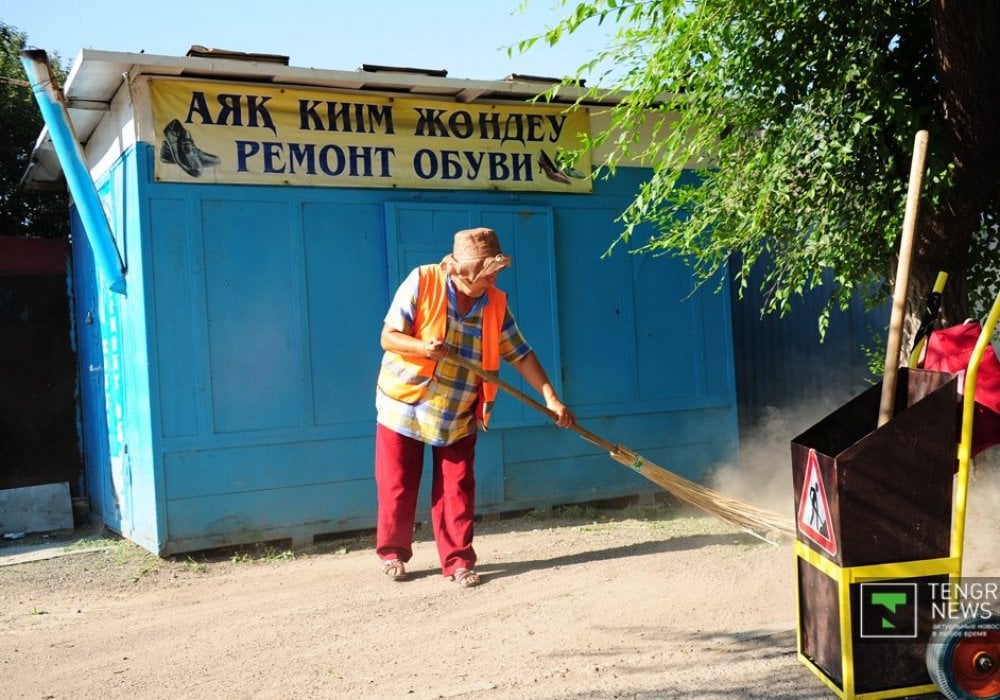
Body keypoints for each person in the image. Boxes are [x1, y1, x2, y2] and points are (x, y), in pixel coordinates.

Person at [374, 227, 575, 588]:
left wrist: (550, 396)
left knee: (457, 487)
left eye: (495, 271)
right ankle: (393, 553)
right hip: (405, 402)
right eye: (489, 271)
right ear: (466, 270)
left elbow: (521, 353)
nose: (494, 277)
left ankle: (457, 561)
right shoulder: (422, 281)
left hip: (457, 409)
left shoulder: (494, 303)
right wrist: (423, 348)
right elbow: (388, 337)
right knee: (398, 485)